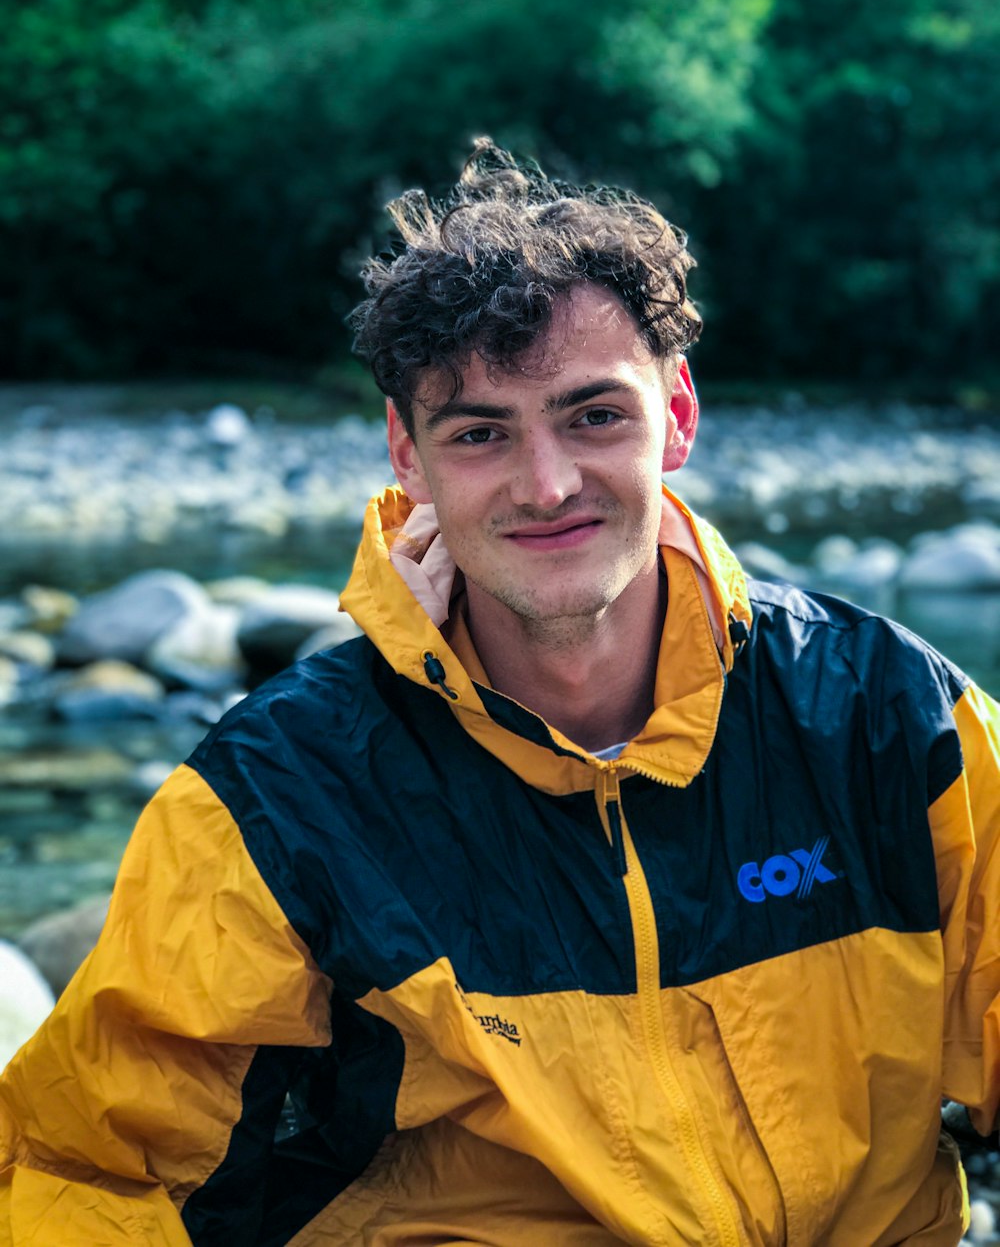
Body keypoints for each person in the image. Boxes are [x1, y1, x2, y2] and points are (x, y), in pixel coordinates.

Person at [2, 140, 999, 1247]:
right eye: (481, 432)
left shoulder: (887, 715)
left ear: (677, 414)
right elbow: (88, 1171)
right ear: (408, 456)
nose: (547, 484)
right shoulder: (279, 804)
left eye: (593, 415)